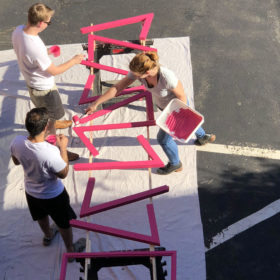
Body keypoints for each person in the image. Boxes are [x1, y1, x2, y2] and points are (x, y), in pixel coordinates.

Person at [85, 51, 216, 175]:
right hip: (164, 106)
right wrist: (96, 103)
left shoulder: (167, 77)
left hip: (177, 108)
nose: (134, 77)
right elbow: (117, 88)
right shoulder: (140, 73)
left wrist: (175, 119)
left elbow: (182, 97)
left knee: (163, 139)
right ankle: (203, 137)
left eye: (137, 75)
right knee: (190, 122)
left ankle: (176, 164)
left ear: (147, 72)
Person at [10, 107, 85, 260]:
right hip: (53, 195)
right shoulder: (50, 152)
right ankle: (70, 251)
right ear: (45, 127)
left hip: (31, 192)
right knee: (64, 223)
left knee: (40, 215)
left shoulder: (16, 141)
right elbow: (63, 173)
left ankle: (48, 235)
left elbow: (16, 161)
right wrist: (63, 148)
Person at [12, 3, 84, 160]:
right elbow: (54, 71)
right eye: (48, 22)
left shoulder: (18, 31)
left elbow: (29, 55)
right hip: (44, 89)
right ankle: (55, 150)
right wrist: (74, 61)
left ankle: (51, 122)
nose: (47, 25)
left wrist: (47, 52)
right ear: (40, 23)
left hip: (32, 84)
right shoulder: (35, 45)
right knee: (51, 118)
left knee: (43, 111)